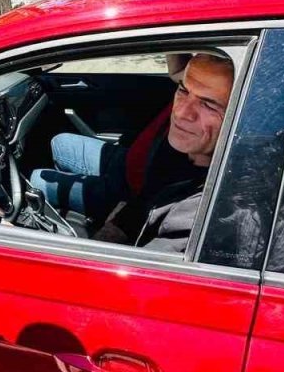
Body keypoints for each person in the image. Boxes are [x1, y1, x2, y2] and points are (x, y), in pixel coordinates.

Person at [30, 54, 234, 252]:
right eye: (183, 90)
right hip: (128, 169)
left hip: (127, 192)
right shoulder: (191, 148)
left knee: (35, 181)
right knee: (60, 142)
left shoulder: (199, 211)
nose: (180, 112)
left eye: (208, 104)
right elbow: (179, 71)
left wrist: (106, 234)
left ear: (239, 115)